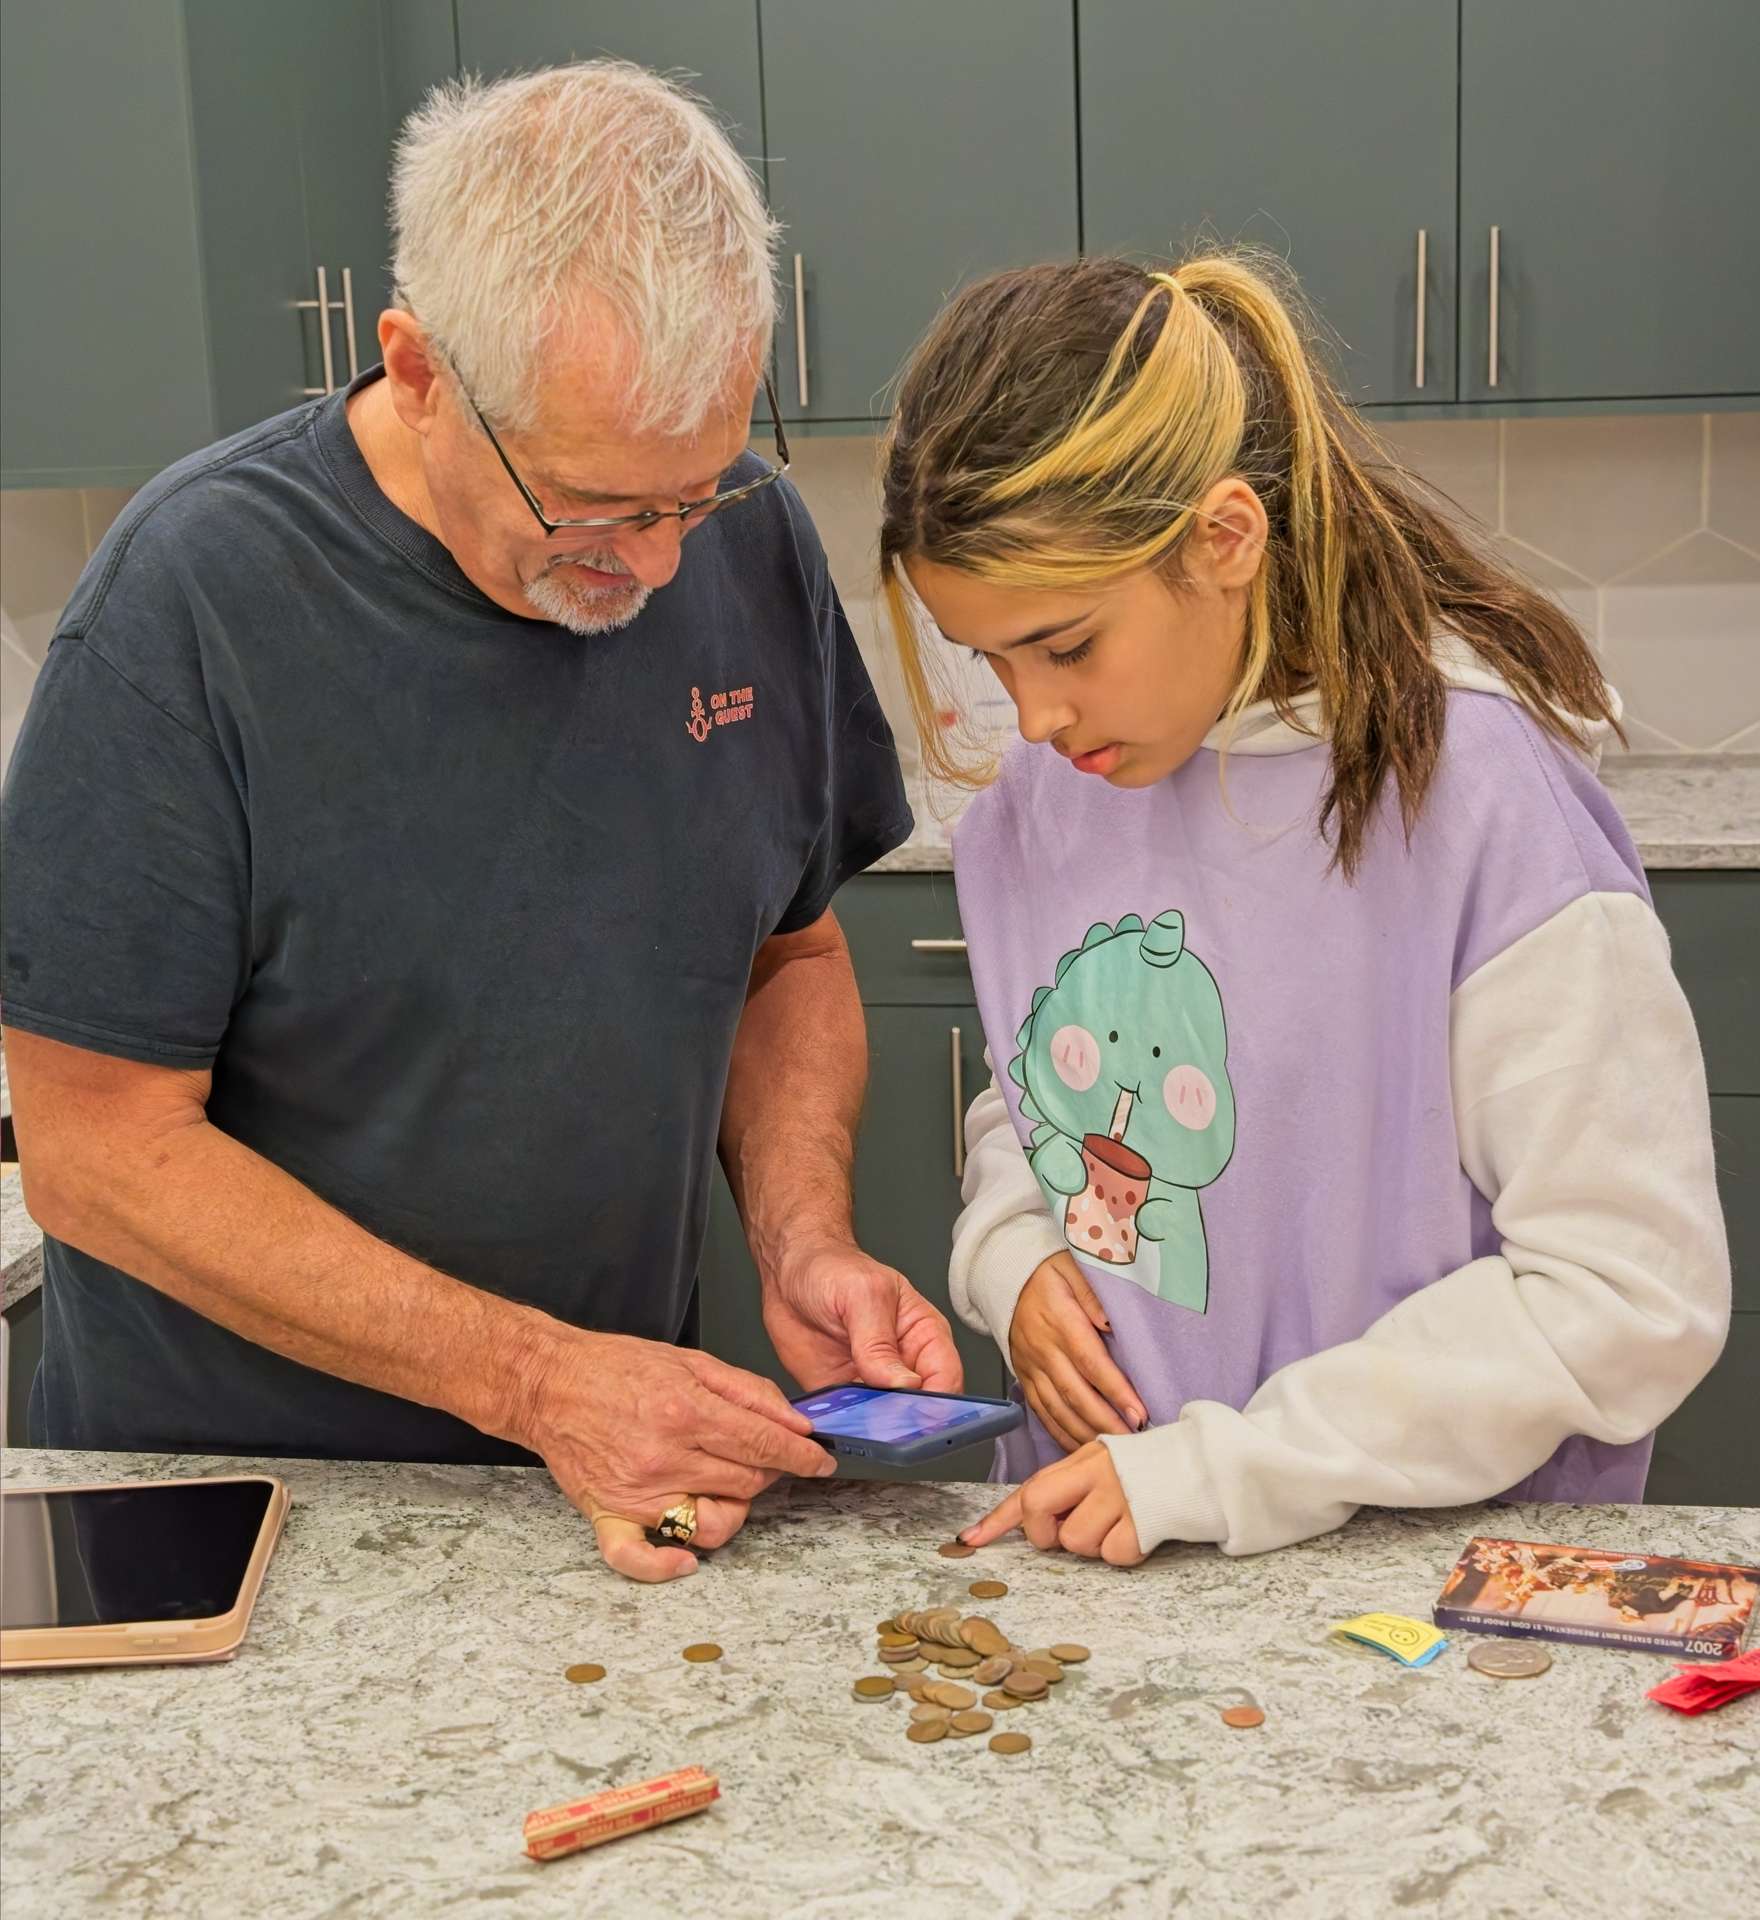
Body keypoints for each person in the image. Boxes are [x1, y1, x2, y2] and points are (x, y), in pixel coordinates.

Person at [0, 61, 959, 1585]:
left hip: (612, 1495)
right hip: (246, 1520)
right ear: (419, 366)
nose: (654, 570)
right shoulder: (189, 606)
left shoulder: (751, 540)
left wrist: (800, 1232)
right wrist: (538, 1380)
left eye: (688, 497)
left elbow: (789, 956)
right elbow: (95, 1153)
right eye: (592, 509)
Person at [874, 251, 1729, 1565]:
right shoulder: (1053, 792)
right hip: (1102, 1568)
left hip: (1417, 1598)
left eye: (1065, 645)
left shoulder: (1482, 809)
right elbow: (1038, 1091)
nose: (1030, 716)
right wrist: (1013, 1252)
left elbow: (1625, 1294)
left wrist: (1235, 1468)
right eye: (988, 658)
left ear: (1225, 539)